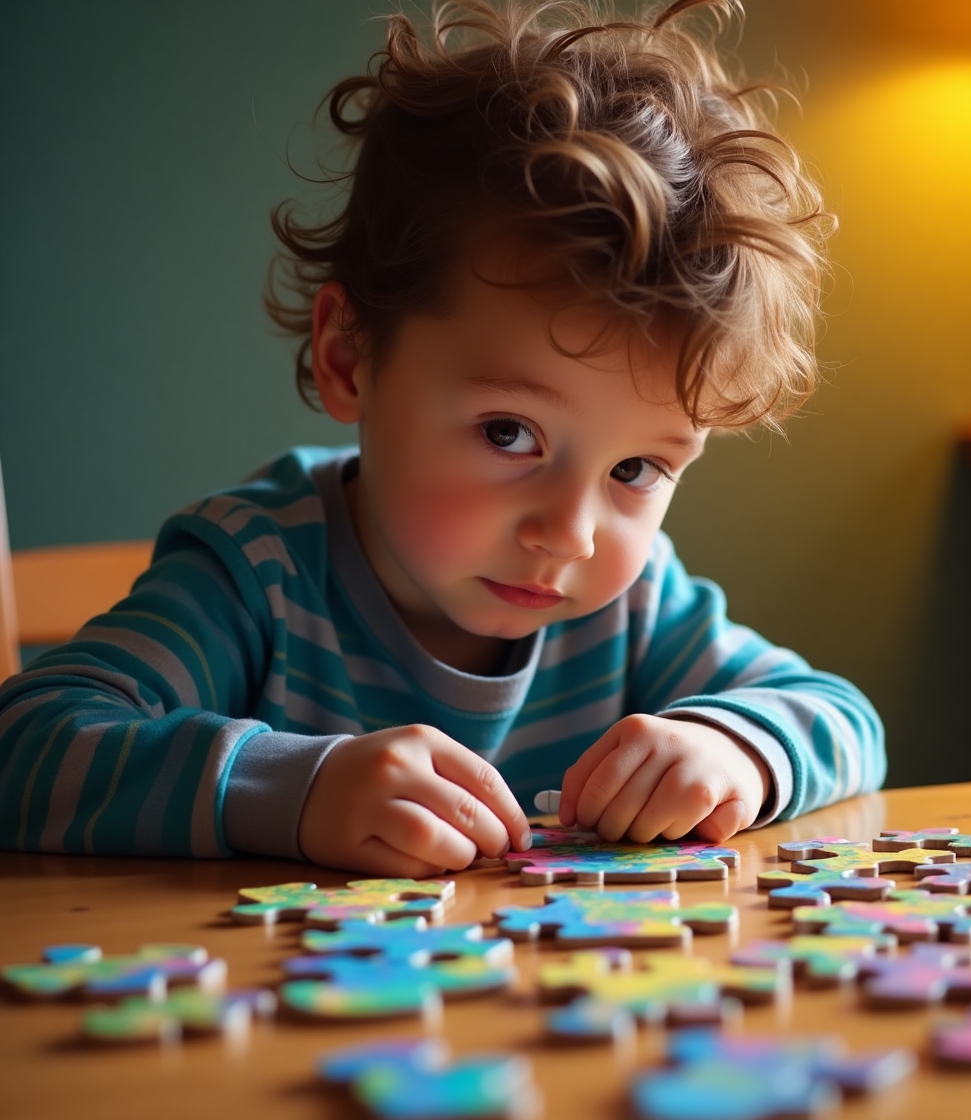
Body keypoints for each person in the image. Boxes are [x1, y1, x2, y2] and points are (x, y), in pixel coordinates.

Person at [0, 0, 885, 876]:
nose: (571, 534)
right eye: (509, 433)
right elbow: (24, 745)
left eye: (637, 468)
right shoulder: (255, 575)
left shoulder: (637, 605)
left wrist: (734, 752)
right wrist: (290, 790)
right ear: (350, 357)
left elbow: (841, 716)